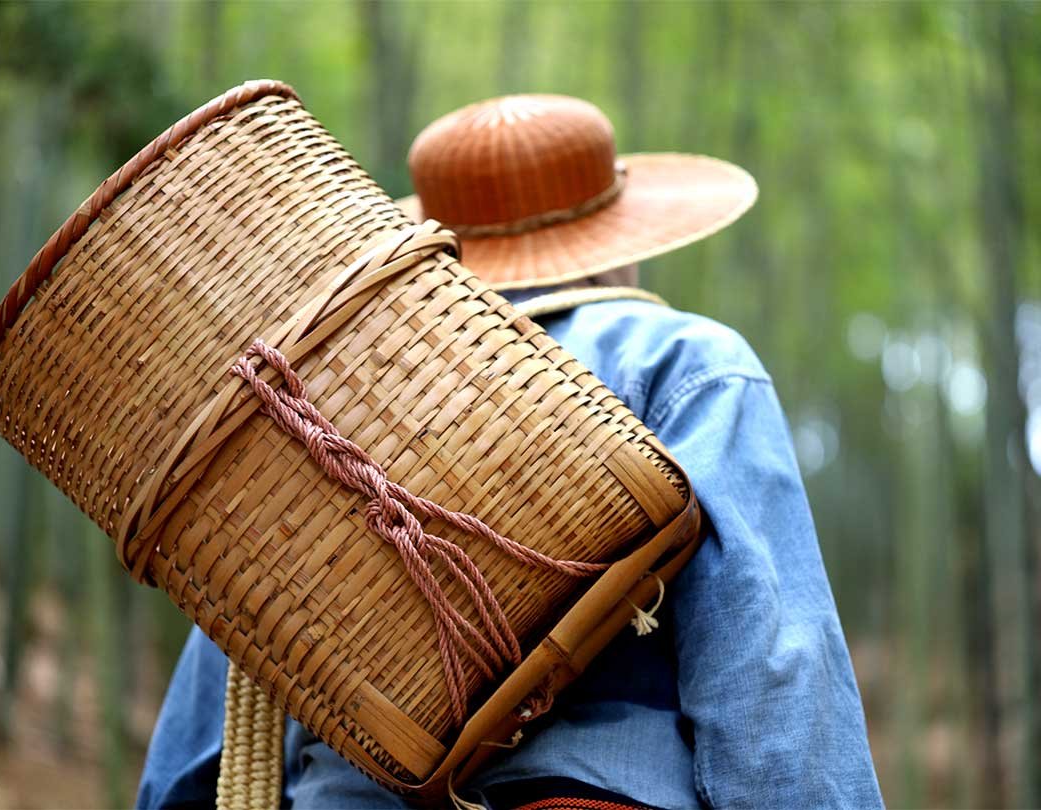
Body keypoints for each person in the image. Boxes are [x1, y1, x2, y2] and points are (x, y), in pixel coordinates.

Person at [137, 94, 883, 809]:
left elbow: (207, 745)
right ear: (620, 246)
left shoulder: (312, 408)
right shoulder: (682, 361)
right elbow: (772, 676)